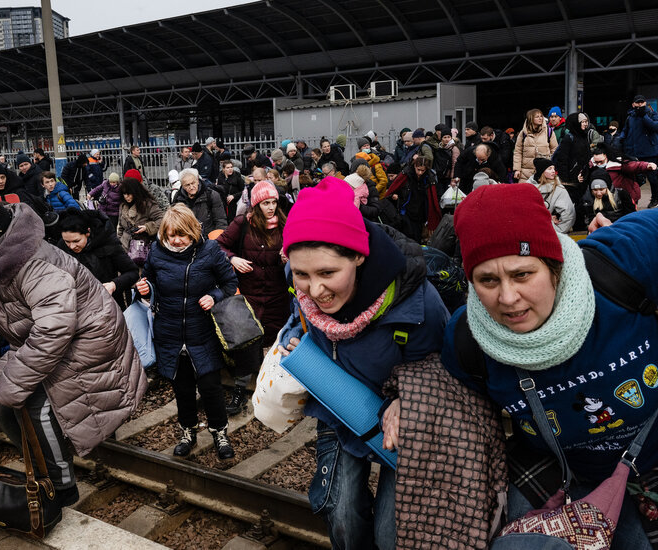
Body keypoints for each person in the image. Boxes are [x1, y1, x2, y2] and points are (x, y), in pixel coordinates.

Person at [446, 184, 658, 549]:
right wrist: (399, 397)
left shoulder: (621, 260)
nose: (507, 298)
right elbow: (448, 390)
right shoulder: (466, 341)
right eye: (487, 280)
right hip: (567, 470)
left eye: (522, 274)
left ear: (554, 265)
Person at [0, 201, 147, 510]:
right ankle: (43, 467)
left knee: (35, 405)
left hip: (88, 339)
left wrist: (16, 382)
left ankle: (61, 486)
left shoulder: (38, 267)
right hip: (48, 338)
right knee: (4, 402)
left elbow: (54, 332)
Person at [276, 177, 449, 549]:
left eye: (327, 273)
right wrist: (292, 338)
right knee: (340, 513)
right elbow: (300, 316)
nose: (315, 290)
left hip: (402, 423)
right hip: (340, 408)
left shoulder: (417, 303)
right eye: (301, 274)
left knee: (392, 532)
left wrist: (410, 400)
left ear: (358, 254)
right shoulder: (305, 289)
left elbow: (445, 370)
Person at [135, 204, 238, 459]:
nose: (177, 240)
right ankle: (188, 432)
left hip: (202, 332)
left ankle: (219, 432)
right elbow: (147, 280)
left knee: (211, 387)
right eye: (171, 235)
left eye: (182, 234)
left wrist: (213, 296)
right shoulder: (157, 252)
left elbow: (230, 283)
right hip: (169, 333)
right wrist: (144, 288)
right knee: (182, 389)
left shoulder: (210, 250)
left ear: (192, 231)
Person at [215, 182, 291, 415]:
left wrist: (289, 253)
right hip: (249, 294)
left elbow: (299, 246)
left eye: (273, 202)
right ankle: (240, 391)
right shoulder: (243, 224)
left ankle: (274, 395)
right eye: (266, 203)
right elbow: (217, 246)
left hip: (278, 294)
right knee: (247, 341)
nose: (270, 207)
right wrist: (232, 259)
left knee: (276, 341)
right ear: (256, 205)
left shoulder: (285, 224)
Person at [57, 208, 138, 310]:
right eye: (67, 242)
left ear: (88, 232)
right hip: (77, 306)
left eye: (76, 241)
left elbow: (132, 272)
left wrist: (114, 285)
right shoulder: (61, 246)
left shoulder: (108, 243)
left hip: (108, 305)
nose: (72, 246)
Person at [621, 95, 658, 207]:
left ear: (645, 103)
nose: (640, 104)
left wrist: (644, 116)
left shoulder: (651, 113)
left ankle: (655, 198)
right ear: (633, 104)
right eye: (637, 103)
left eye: (642, 102)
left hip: (649, 152)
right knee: (633, 178)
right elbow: (625, 132)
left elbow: (656, 127)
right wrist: (620, 142)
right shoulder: (630, 116)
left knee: (652, 177)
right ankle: (632, 199)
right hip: (633, 152)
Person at [116, 174, 165, 257]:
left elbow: (162, 219)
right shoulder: (123, 206)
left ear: (135, 192)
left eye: (129, 193)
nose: (126, 197)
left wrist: (147, 227)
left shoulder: (148, 204)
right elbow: (121, 227)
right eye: (124, 194)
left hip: (143, 248)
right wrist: (119, 243)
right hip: (125, 247)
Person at [172, 168, 227, 237]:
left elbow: (220, 220)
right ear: (182, 186)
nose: (191, 187)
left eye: (193, 183)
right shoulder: (178, 198)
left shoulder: (211, 195)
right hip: (187, 238)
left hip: (209, 238)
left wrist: (218, 239)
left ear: (197, 181)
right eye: (187, 185)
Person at [527, 158, 575, 232]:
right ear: (541, 171)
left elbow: (568, 214)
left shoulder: (559, 189)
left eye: (553, 168)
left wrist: (557, 230)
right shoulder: (527, 188)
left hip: (538, 229)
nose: (553, 171)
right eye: (549, 169)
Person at [513, 108, 559, 180]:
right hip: (525, 173)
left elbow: (555, 150)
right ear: (531, 119)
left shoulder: (548, 131)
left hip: (544, 172)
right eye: (537, 117)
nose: (540, 118)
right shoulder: (523, 133)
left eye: (541, 116)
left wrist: (552, 167)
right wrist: (517, 169)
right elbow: (518, 152)